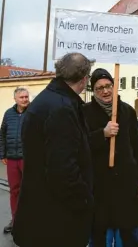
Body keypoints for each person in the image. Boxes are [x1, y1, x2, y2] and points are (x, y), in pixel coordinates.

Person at [12, 53, 94, 247]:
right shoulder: (62, 108)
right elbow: (63, 170)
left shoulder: (47, 99)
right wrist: (85, 200)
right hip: (56, 219)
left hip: (41, 213)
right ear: (84, 80)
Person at [83, 68, 138, 246]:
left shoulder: (126, 111)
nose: (105, 91)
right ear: (93, 91)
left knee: (130, 235)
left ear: (114, 86)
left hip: (126, 183)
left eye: (108, 86)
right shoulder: (84, 112)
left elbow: (137, 146)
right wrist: (102, 134)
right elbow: (79, 146)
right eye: (99, 88)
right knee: (99, 236)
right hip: (99, 185)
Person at [0, 87, 29, 234]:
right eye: (22, 97)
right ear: (15, 99)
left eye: (26, 97)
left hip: (28, 159)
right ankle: (15, 220)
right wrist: (2, 154)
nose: (25, 99)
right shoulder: (8, 114)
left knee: (29, 190)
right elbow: (2, 135)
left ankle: (30, 221)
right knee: (14, 190)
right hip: (12, 158)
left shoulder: (33, 113)